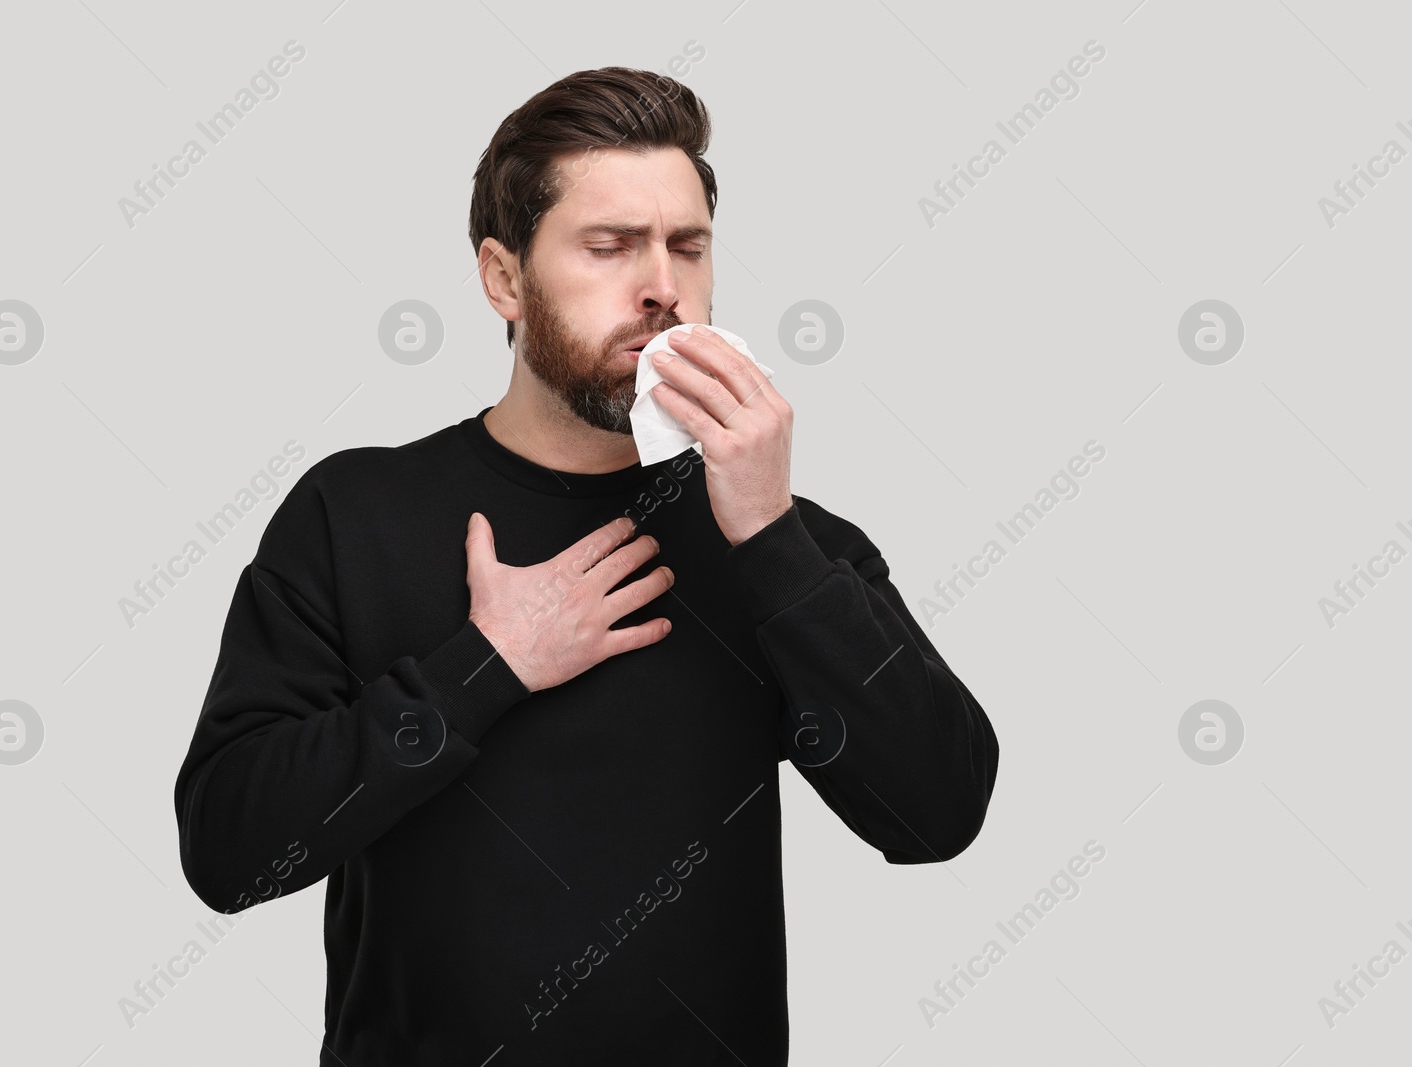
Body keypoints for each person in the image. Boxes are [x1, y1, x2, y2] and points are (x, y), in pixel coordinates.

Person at [173, 65, 998, 1066]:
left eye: (686, 247)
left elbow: (935, 813)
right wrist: (488, 663)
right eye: (608, 247)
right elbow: (231, 852)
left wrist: (772, 539)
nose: (662, 286)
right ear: (504, 278)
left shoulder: (786, 540)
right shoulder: (356, 512)